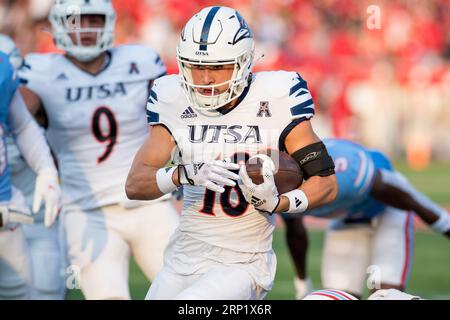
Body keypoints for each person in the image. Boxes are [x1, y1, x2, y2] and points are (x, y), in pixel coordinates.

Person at [126, 6, 337, 300]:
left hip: (242, 264)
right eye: (196, 67)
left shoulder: (277, 95)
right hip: (181, 260)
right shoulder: (172, 98)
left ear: (244, 61)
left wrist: (279, 202)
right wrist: (182, 174)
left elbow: (326, 184)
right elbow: (135, 184)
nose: (205, 79)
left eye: (217, 67)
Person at [18, 0, 179, 300]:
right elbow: (16, 122)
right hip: (86, 210)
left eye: (93, 20)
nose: (86, 30)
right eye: (75, 22)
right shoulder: (41, 71)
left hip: (150, 203)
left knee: (188, 294)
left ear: (108, 23)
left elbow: (177, 116)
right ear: (58, 26)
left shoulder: (140, 60)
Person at [284, 138, 450, 299]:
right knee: (338, 294)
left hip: (387, 209)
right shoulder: (277, 194)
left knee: (385, 294)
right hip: (347, 216)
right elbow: (295, 231)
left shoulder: (346, 171)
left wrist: (446, 227)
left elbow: (414, 202)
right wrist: (302, 281)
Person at [0, 39, 61, 299]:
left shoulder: (2, 69)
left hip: (5, 207)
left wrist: (47, 171)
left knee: (19, 291)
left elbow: (23, 125)